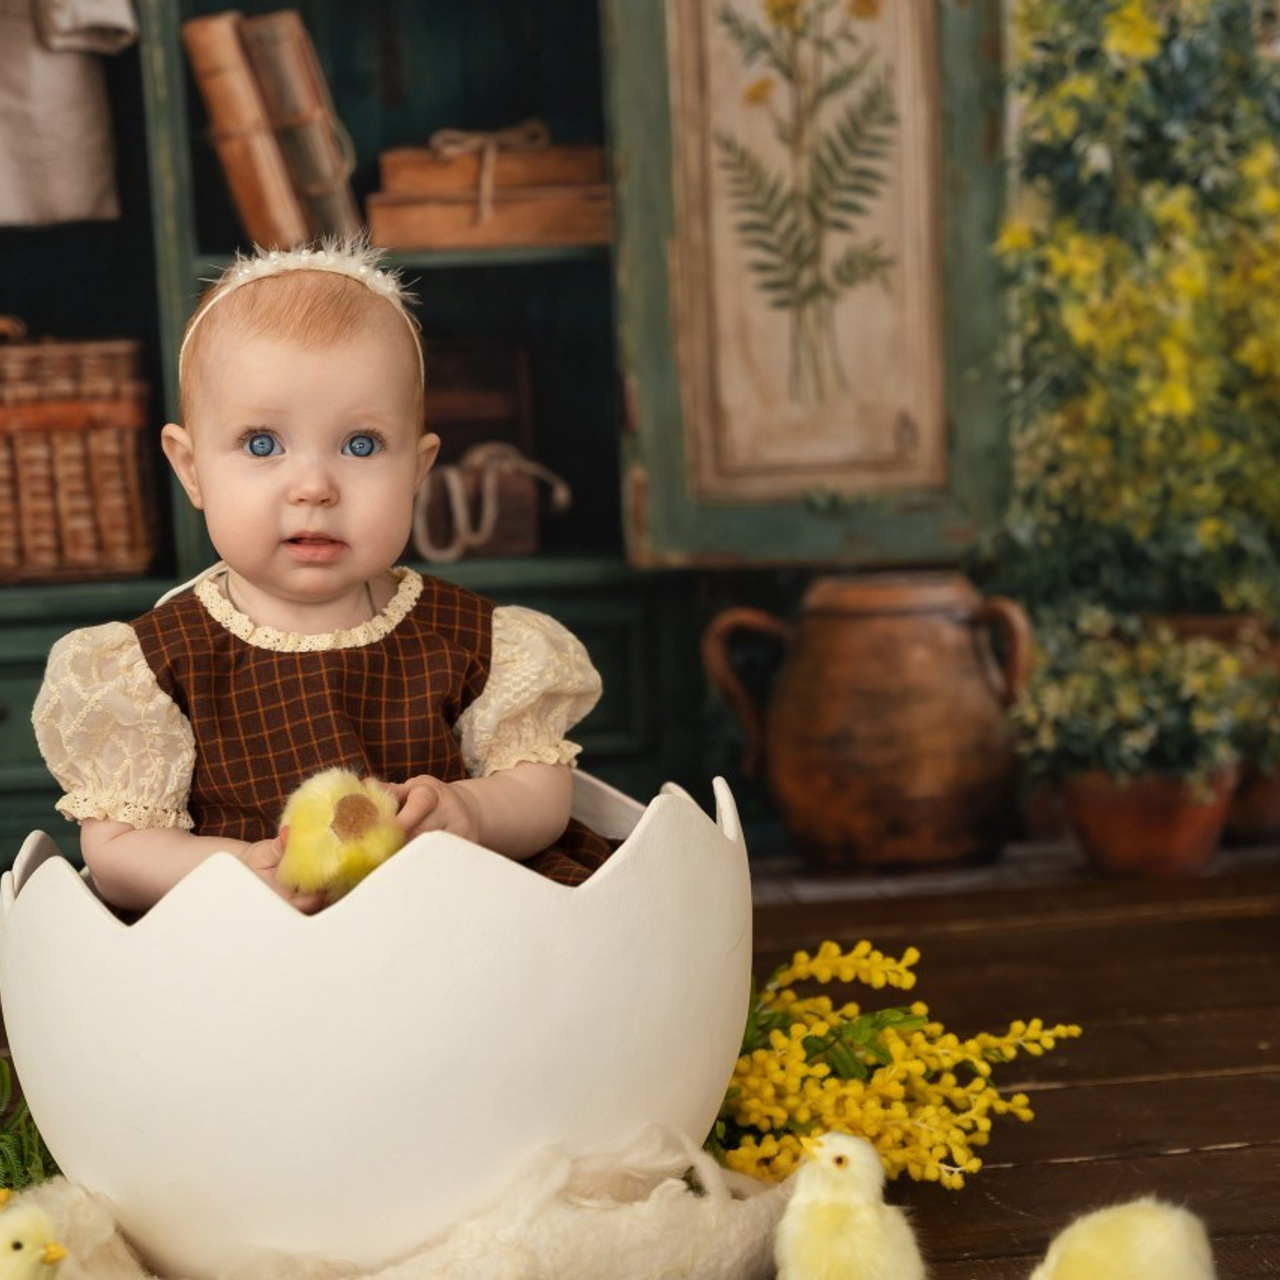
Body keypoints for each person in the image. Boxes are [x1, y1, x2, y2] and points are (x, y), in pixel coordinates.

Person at [32, 240, 613, 914]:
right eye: (262, 443)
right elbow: (118, 853)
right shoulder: (154, 667)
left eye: (361, 445)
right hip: (256, 946)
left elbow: (543, 790)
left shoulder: (475, 639)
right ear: (191, 469)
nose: (314, 486)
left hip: (451, 925)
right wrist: (238, 870)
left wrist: (474, 811)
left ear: (418, 469)